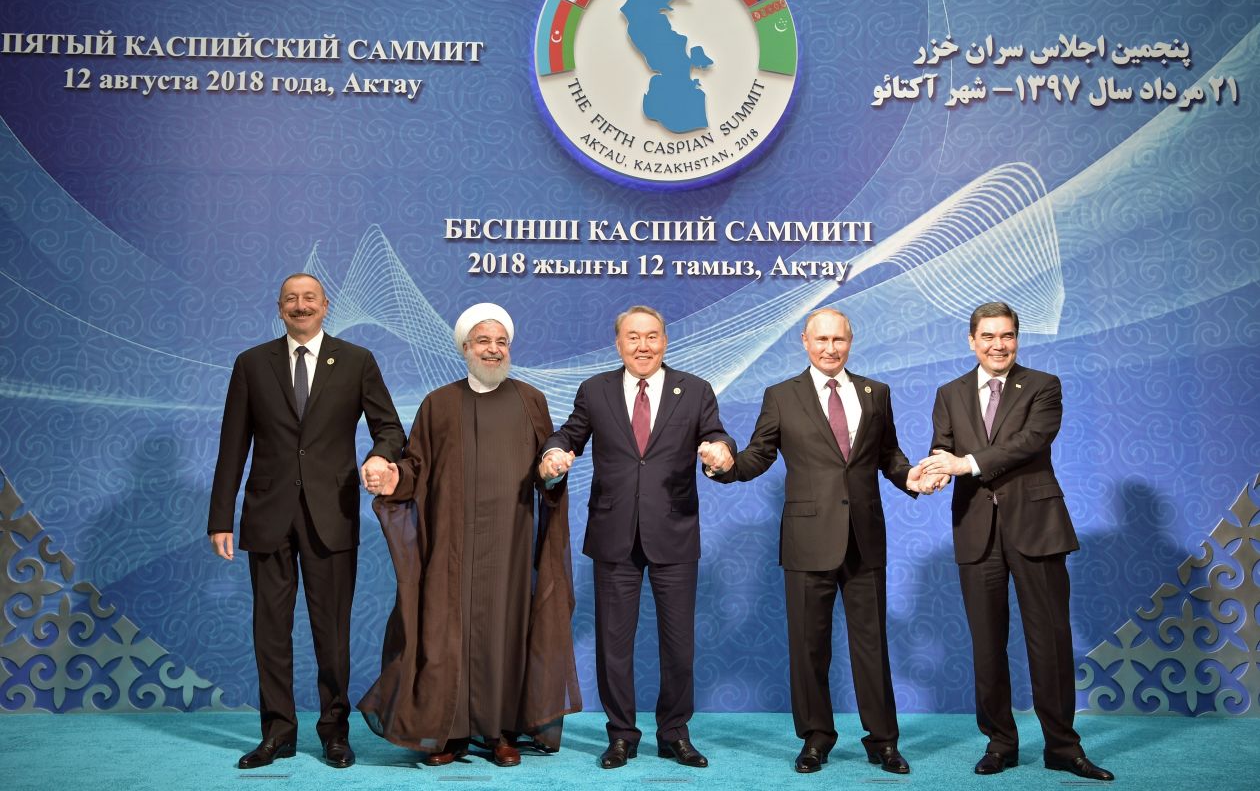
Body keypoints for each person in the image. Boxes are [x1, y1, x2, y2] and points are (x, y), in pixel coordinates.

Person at [710, 309, 934, 775]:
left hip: (864, 538)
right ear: (804, 341)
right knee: (808, 645)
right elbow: (758, 456)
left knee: (872, 646)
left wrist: (909, 477)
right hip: (807, 539)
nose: (830, 348)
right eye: (821, 340)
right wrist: (724, 465)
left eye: (838, 340)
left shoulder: (876, 392)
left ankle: (883, 741)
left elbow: (888, 454)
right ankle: (815, 738)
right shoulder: (781, 395)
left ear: (850, 341)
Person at [357, 303, 581, 768]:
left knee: (505, 632)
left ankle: (501, 732)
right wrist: (393, 477)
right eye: (483, 341)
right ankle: (450, 732)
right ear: (465, 348)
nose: (493, 350)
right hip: (451, 543)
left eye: (501, 342)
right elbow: (416, 467)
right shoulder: (438, 403)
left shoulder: (531, 400)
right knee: (444, 634)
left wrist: (553, 473)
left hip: (509, 545)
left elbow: (547, 469)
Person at [207, 273, 404, 770]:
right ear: (280, 308)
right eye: (291, 299)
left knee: (331, 632)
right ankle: (277, 733)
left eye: (309, 298)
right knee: (269, 631)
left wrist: (379, 457)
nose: (300, 305)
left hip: (331, 513)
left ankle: (334, 733)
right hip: (266, 513)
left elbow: (389, 427)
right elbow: (233, 443)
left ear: (325, 305)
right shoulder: (252, 363)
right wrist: (220, 517)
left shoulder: (356, 360)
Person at [919, 301, 1114, 782]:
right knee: (987, 645)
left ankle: (1063, 747)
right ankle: (1000, 744)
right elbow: (943, 444)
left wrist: (965, 464)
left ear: (1017, 339)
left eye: (1006, 335)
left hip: (1037, 527)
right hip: (975, 530)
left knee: (1050, 642)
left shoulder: (1044, 386)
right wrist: (935, 470)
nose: (998, 345)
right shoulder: (949, 392)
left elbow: (1031, 441)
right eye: (988, 336)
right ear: (972, 341)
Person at [539, 305, 735, 770]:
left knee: (679, 644)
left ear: (664, 341)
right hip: (614, 533)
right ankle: (621, 735)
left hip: (674, 531)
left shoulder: (695, 389)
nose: (642, 346)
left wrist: (721, 453)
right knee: (613, 643)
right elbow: (569, 435)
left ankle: (674, 733)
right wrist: (552, 456)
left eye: (651, 336)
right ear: (619, 343)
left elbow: (717, 437)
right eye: (633, 337)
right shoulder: (595, 390)